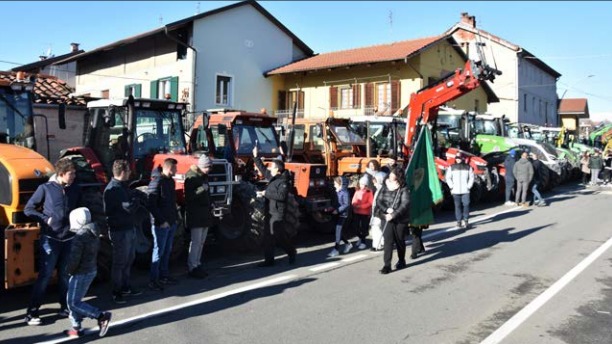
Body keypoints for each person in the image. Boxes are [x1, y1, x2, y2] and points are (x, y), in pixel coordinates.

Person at [24, 158, 81, 326]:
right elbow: (29, 209)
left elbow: (80, 208)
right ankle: (32, 312)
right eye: (71, 174)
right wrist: (45, 219)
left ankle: (64, 307)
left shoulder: (75, 190)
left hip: (69, 238)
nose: (74, 177)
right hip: (50, 239)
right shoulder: (45, 189)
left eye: (75, 173)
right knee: (45, 276)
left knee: (65, 276)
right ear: (61, 174)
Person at [65, 207, 112, 338]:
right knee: (76, 300)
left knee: (73, 303)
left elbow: (75, 259)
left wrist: (69, 271)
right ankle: (76, 328)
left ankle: (101, 316)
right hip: (91, 270)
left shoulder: (80, 237)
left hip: (80, 272)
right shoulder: (93, 231)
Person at [103, 159, 142, 304]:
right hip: (119, 230)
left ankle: (126, 286)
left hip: (128, 228)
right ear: (123, 172)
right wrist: (137, 200)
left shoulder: (122, 187)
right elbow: (129, 208)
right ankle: (116, 290)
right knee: (120, 262)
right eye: (129, 171)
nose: (131, 173)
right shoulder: (114, 189)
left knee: (129, 259)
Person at [252, 146, 297, 266]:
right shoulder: (272, 178)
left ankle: (291, 252)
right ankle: (269, 260)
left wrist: (265, 193)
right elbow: (262, 169)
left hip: (277, 213)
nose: (270, 169)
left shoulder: (284, 181)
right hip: (269, 212)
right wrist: (256, 156)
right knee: (268, 237)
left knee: (279, 236)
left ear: (277, 169)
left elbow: (281, 196)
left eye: (272, 167)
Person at [147, 158, 179, 290]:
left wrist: (175, 219)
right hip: (161, 224)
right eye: (175, 168)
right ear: (169, 168)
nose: (177, 170)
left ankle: (164, 275)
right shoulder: (157, 182)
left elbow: (171, 203)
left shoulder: (170, 182)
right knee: (158, 251)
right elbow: (152, 205)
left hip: (171, 222)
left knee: (167, 250)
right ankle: (153, 280)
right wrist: (162, 221)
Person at [374, 166, 410, 274]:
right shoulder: (385, 186)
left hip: (400, 219)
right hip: (386, 217)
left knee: (399, 241)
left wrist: (394, 214)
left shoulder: (404, 188)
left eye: (393, 174)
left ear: (398, 176)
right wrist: (386, 210)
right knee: (388, 241)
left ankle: (401, 260)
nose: (390, 175)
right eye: (390, 173)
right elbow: (378, 200)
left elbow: (405, 204)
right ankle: (387, 265)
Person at [184, 155, 213, 279]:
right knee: (196, 242)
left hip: (204, 213)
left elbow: (206, 194)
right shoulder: (191, 177)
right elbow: (189, 197)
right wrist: (202, 189)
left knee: (201, 242)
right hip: (196, 214)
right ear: (202, 167)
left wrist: (211, 202)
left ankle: (197, 263)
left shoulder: (202, 176)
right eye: (208, 167)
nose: (209, 170)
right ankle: (192, 266)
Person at [445, 152, 475, 228]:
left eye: (459, 158)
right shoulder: (451, 167)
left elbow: (471, 178)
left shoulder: (468, 167)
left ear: (463, 159)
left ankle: (466, 220)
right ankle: (459, 221)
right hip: (455, 190)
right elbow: (448, 178)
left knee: (466, 205)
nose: (458, 160)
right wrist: (451, 186)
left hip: (466, 190)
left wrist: (469, 186)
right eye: (457, 158)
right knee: (457, 206)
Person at [327, 176, 353, 257]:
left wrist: (337, 210)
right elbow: (336, 203)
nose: (334, 185)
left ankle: (336, 249)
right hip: (337, 213)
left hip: (343, 215)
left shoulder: (345, 192)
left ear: (340, 183)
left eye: (335, 183)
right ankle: (348, 244)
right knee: (338, 231)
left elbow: (346, 204)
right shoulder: (338, 191)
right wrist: (331, 208)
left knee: (338, 231)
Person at [351, 176, 374, 250]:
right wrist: (354, 204)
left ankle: (363, 242)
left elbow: (370, 202)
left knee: (364, 228)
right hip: (357, 211)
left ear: (366, 185)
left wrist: (361, 206)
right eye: (360, 184)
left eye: (363, 184)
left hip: (365, 212)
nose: (361, 185)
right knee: (355, 227)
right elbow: (354, 199)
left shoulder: (369, 191)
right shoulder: (357, 190)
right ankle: (360, 238)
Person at [370, 171, 388, 251]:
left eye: (375, 181)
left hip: (379, 212)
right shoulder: (379, 189)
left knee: (375, 228)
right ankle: (382, 243)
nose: (374, 183)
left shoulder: (383, 190)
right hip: (377, 212)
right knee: (377, 228)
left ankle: (377, 245)